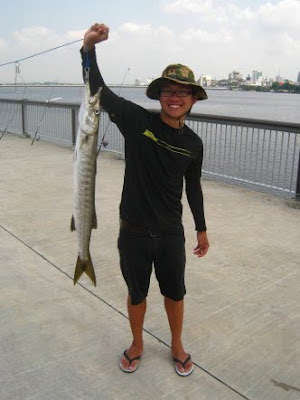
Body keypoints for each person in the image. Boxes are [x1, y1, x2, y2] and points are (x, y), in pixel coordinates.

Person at [81, 23, 209, 377]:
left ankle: (177, 344)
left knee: (175, 293)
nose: (175, 96)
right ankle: (137, 343)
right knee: (136, 293)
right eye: (169, 90)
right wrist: (88, 49)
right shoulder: (137, 122)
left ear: (193, 99)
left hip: (171, 234)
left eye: (183, 92)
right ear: (159, 96)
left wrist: (201, 229)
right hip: (133, 231)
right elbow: (98, 91)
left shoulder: (194, 144)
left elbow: (193, 187)